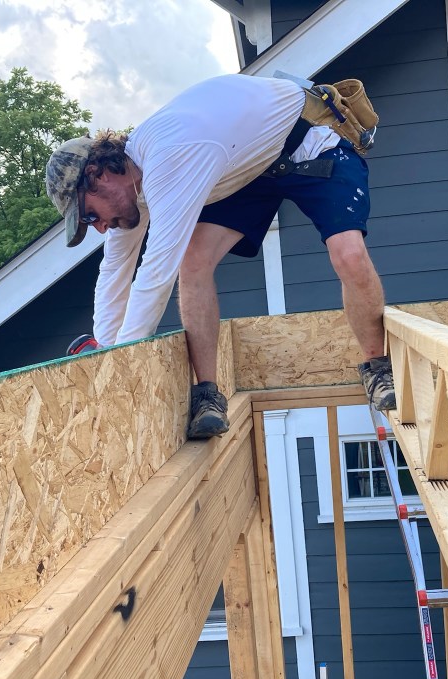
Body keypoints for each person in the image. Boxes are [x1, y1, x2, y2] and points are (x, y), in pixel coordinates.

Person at [45, 73, 395, 439]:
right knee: (194, 261)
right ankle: (208, 394)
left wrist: (124, 367)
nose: (100, 228)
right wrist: (103, 350)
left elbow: (154, 274)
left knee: (348, 253)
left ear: (97, 174)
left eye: (89, 215)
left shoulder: (170, 158)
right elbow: (115, 269)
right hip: (247, 169)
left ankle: (378, 368)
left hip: (309, 141)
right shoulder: (133, 183)